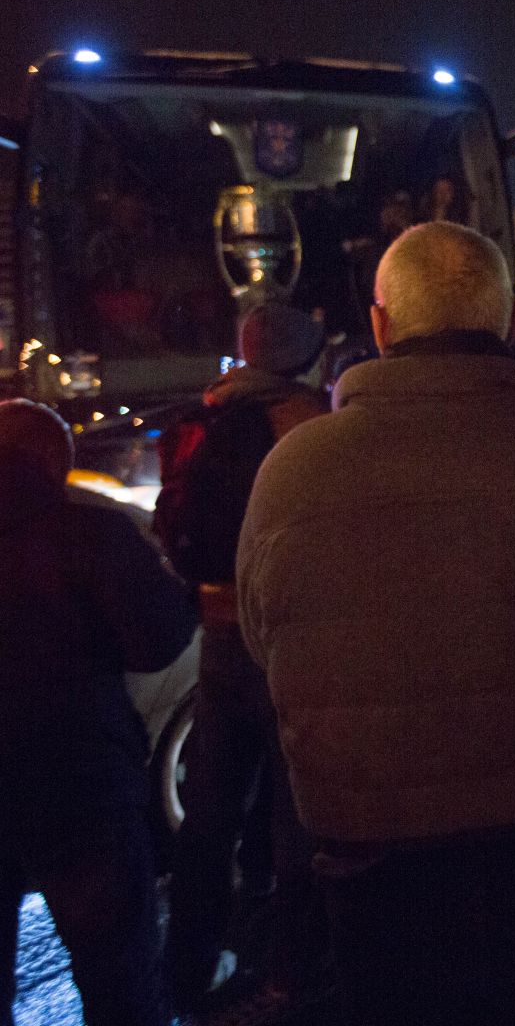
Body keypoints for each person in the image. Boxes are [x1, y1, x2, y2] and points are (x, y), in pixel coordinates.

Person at [236, 222, 515, 1026]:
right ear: (514, 320)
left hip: (375, 858)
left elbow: (261, 636)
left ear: (379, 326)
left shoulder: (292, 471)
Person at [155, 302, 331, 1016]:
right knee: (296, 814)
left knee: (210, 811)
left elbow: (175, 528)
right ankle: (290, 972)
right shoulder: (308, 423)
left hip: (222, 635)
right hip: (290, 637)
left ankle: (186, 969)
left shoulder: (201, 420)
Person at [0, 400, 196, 1026]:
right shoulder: (89, 534)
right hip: (78, 785)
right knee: (118, 976)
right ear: (55, 464)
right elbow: (159, 640)